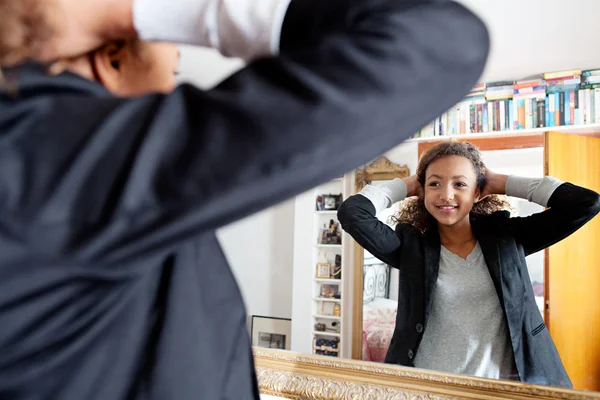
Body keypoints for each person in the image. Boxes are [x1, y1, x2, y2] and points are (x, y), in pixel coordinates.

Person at [0, 0, 491, 398]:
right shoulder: (68, 162)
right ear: (111, 58)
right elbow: (439, 41)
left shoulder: (40, 160)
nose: (168, 90)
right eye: (171, 71)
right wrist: (123, 9)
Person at [338, 140, 600, 388]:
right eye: (435, 184)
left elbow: (585, 203)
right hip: (428, 388)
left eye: (460, 184)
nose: (446, 195)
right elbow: (352, 214)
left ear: (478, 192)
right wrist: (407, 185)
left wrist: (500, 182)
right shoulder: (410, 247)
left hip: (504, 387)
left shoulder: (507, 237)